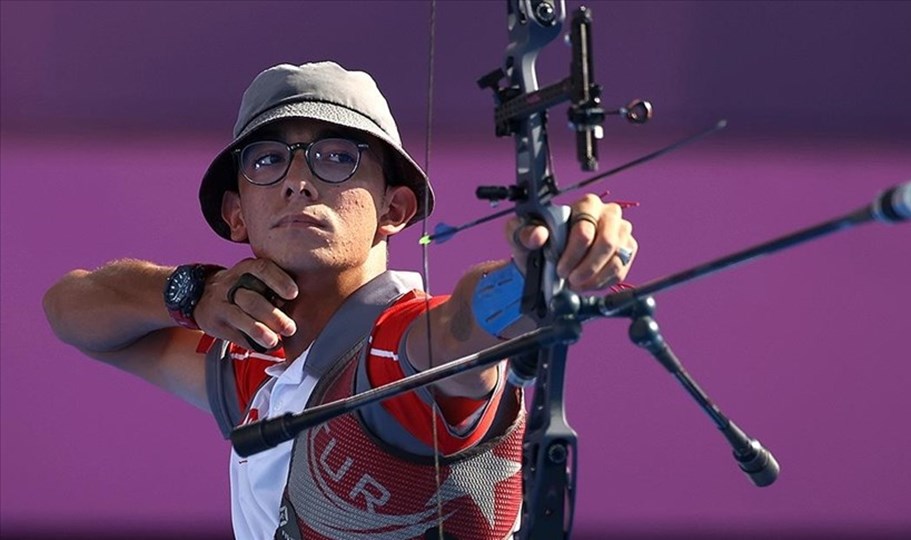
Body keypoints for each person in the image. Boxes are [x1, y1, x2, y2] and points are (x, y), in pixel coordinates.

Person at [43, 61, 638, 539]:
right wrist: (191, 291)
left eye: (336, 157)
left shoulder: (404, 348)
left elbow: (465, 326)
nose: (298, 180)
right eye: (268, 160)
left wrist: (541, 265)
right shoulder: (249, 359)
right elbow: (69, 309)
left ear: (394, 210)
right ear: (235, 216)